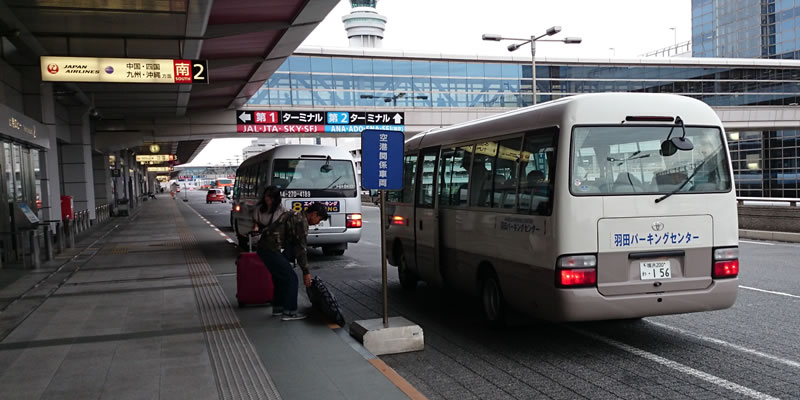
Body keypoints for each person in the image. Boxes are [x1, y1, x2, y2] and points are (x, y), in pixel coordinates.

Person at [256, 201, 329, 321]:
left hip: (265, 248)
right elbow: (301, 248)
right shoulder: (301, 221)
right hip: (271, 249)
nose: (317, 223)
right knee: (291, 278)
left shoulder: (295, 214)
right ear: (314, 214)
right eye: (319, 219)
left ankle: (278, 308)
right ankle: (290, 312)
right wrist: (306, 272)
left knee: (280, 278)